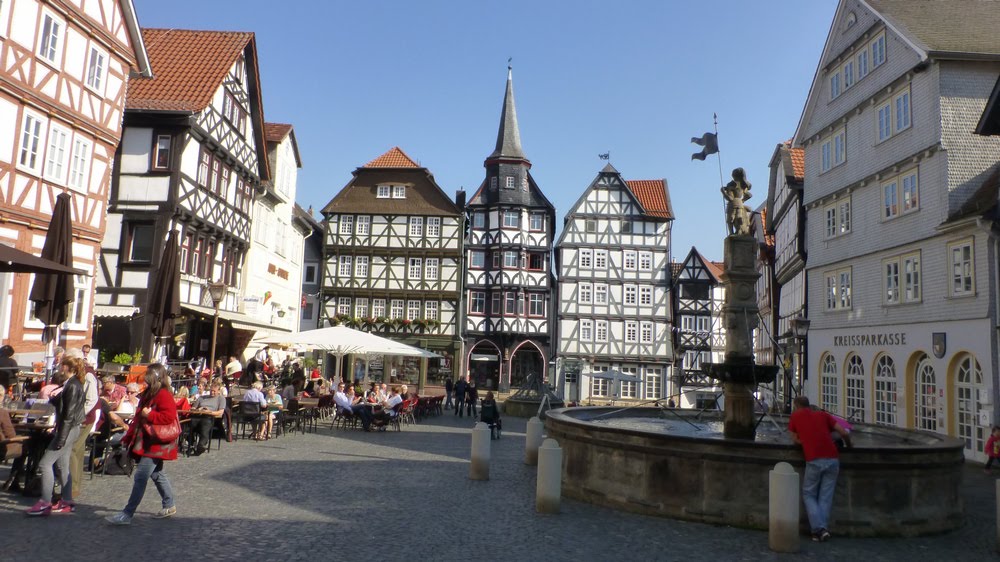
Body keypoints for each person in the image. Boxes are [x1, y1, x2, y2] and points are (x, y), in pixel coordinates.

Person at [106, 363, 178, 525]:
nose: (145, 380)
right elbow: (138, 418)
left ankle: (127, 513)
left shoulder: (164, 395)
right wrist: (129, 436)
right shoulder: (150, 393)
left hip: (156, 443)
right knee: (156, 473)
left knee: (141, 476)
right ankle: (169, 504)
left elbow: (169, 417)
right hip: (148, 441)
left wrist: (151, 415)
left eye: (148, 377)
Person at [26, 356, 87, 516]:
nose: (59, 367)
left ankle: (45, 501)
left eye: (62, 365)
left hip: (67, 428)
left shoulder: (72, 385)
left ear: (67, 367)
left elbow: (69, 414)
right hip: (70, 428)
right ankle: (67, 500)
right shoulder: (71, 384)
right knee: (62, 465)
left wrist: (61, 436)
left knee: (45, 464)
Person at [787, 396, 852, 542]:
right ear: (809, 405)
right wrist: (849, 446)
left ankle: (818, 529)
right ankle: (821, 531)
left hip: (814, 459)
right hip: (833, 459)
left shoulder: (796, 416)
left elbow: (794, 439)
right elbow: (843, 432)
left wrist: (805, 440)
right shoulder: (823, 415)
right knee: (825, 496)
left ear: (796, 406)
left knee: (808, 493)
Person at [66, 348, 99, 499]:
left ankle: (72, 487)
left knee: (73, 450)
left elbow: (92, 399)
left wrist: (78, 415)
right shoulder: (78, 373)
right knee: (78, 452)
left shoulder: (88, 374)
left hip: (84, 419)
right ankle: (75, 486)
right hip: (80, 418)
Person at [188, 381, 225, 456]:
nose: (212, 393)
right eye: (211, 391)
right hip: (198, 415)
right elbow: (192, 408)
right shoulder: (202, 398)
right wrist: (198, 409)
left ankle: (201, 445)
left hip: (209, 417)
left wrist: (209, 412)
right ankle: (191, 443)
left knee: (205, 424)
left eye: (214, 391)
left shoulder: (221, 398)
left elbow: (220, 412)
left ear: (218, 391)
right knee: (189, 423)